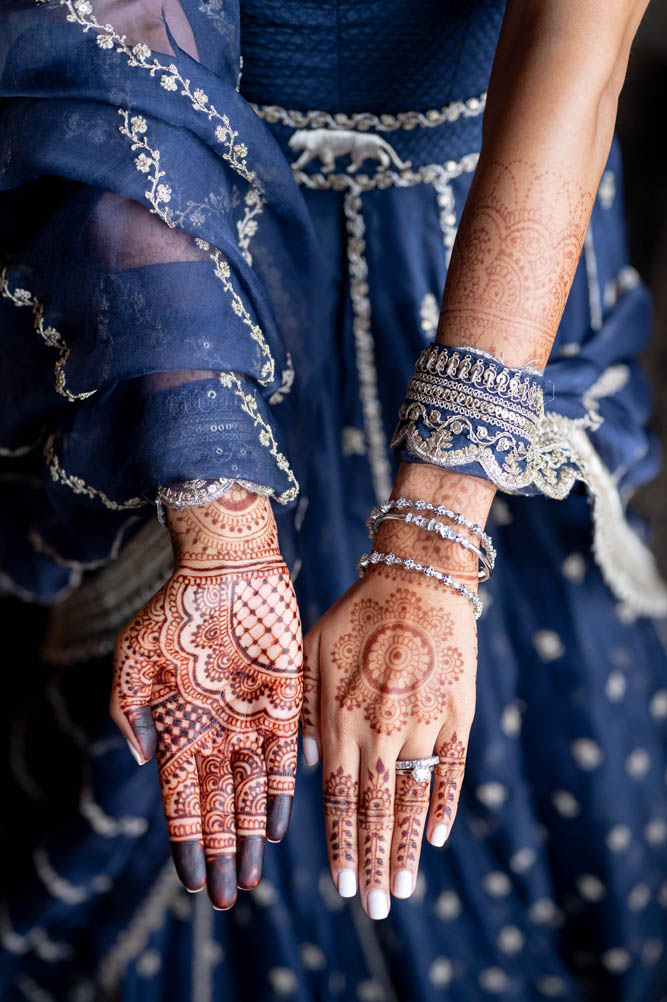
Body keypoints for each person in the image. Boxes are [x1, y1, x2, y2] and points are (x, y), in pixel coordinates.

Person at [1, 1, 666, 1000]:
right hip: (189, 261)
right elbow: (118, 55)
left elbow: (577, 55)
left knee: (552, 697)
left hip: (502, 251)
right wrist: (217, 514)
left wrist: (435, 541)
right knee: (179, 735)